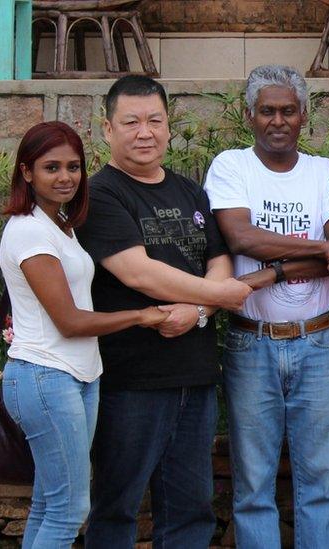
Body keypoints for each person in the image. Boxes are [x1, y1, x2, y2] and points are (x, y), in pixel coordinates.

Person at [77, 75, 252, 548]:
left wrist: (197, 309)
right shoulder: (101, 194)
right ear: (107, 129)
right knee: (116, 506)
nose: (144, 132)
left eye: (155, 120)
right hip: (129, 380)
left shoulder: (190, 191)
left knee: (190, 510)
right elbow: (138, 272)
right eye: (130, 122)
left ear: (169, 127)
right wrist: (220, 297)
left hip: (193, 375)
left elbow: (219, 260)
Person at [0, 121, 169, 548]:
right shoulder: (30, 231)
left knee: (48, 503)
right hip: (45, 376)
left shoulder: (60, 226)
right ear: (26, 172)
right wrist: (141, 315)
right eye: (50, 167)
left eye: (73, 167)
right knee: (68, 510)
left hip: (76, 376)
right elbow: (70, 321)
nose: (65, 178)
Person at [203, 64, 329, 549]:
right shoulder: (231, 166)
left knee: (321, 482)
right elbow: (240, 235)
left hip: (320, 341)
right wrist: (309, 254)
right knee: (253, 483)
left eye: (288, 110)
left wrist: (266, 273)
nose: (278, 120)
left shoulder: (325, 172)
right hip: (251, 343)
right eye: (267, 111)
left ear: (304, 116)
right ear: (250, 116)